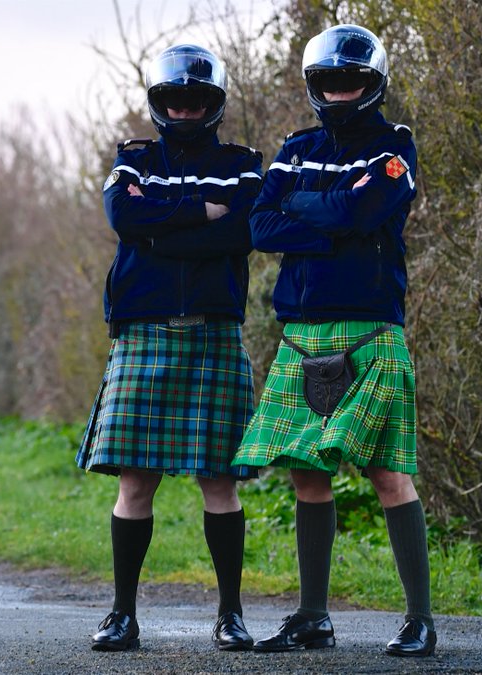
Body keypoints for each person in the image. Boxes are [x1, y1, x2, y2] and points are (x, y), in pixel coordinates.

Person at [232, 24, 437, 657]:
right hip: (302, 330)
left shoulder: (394, 147)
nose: (340, 91)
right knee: (306, 473)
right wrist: (334, 219)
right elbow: (259, 224)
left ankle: (420, 621)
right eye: (329, 82)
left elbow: (361, 211)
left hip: (371, 327)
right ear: (314, 86)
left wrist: (305, 207)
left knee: (388, 472)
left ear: (373, 84)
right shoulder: (296, 148)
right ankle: (313, 617)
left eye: (352, 81)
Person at [75, 43, 263, 652]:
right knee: (135, 482)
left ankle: (231, 616)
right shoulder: (132, 161)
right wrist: (200, 213)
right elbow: (123, 218)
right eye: (174, 100)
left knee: (220, 482)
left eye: (196, 100)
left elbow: (244, 230)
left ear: (214, 104)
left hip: (214, 332)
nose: (184, 109)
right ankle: (121, 616)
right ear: (159, 103)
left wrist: (162, 234)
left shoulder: (243, 166)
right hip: (144, 332)